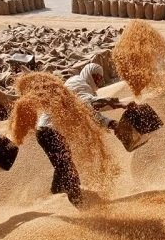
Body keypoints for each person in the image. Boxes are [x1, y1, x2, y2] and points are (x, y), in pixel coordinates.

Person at [35, 63, 125, 206]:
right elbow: (86, 102)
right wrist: (116, 103)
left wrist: (113, 124)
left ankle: (56, 195)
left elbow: (93, 115)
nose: (100, 81)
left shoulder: (86, 89)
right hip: (49, 131)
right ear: (90, 74)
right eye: (97, 77)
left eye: (101, 78)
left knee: (64, 165)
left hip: (51, 133)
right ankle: (81, 209)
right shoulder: (77, 82)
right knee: (69, 171)